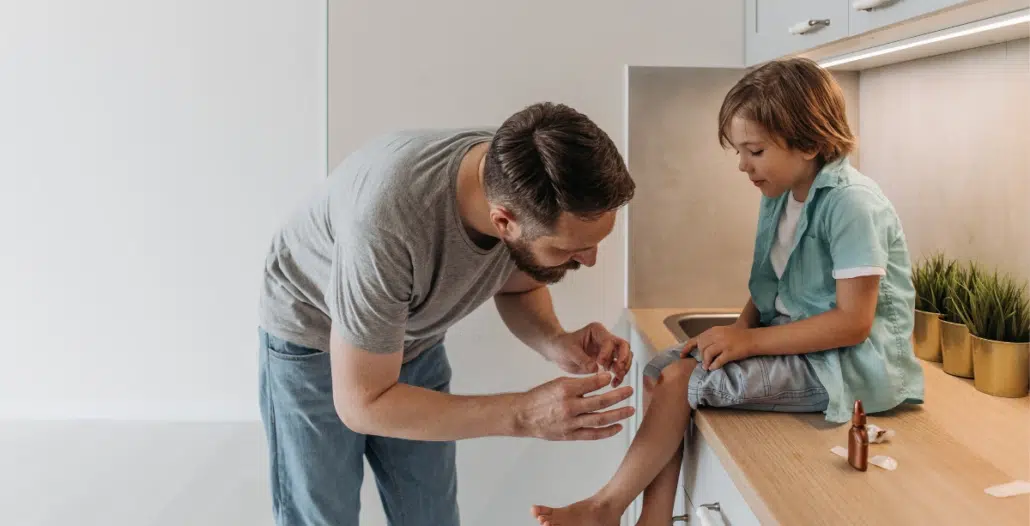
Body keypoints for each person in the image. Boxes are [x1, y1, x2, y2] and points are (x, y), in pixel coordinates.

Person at [531, 57, 925, 526]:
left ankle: (605, 508)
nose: (742, 165)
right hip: (799, 346)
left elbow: (853, 322)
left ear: (810, 142)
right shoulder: (780, 196)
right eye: (739, 151)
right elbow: (770, 286)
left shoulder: (852, 206)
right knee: (660, 369)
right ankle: (652, 517)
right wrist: (739, 329)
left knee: (681, 380)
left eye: (754, 151)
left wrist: (749, 342)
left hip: (844, 366)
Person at [257, 101, 639, 526]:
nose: (589, 260)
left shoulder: (522, 174)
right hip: (313, 338)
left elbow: (519, 281)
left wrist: (555, 341)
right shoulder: (388, 222)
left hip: (413, 338)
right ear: (504, 222)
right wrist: (524, 414)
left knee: (430, 515)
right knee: (322, 515)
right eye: (571, 248)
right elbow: (362, 403)